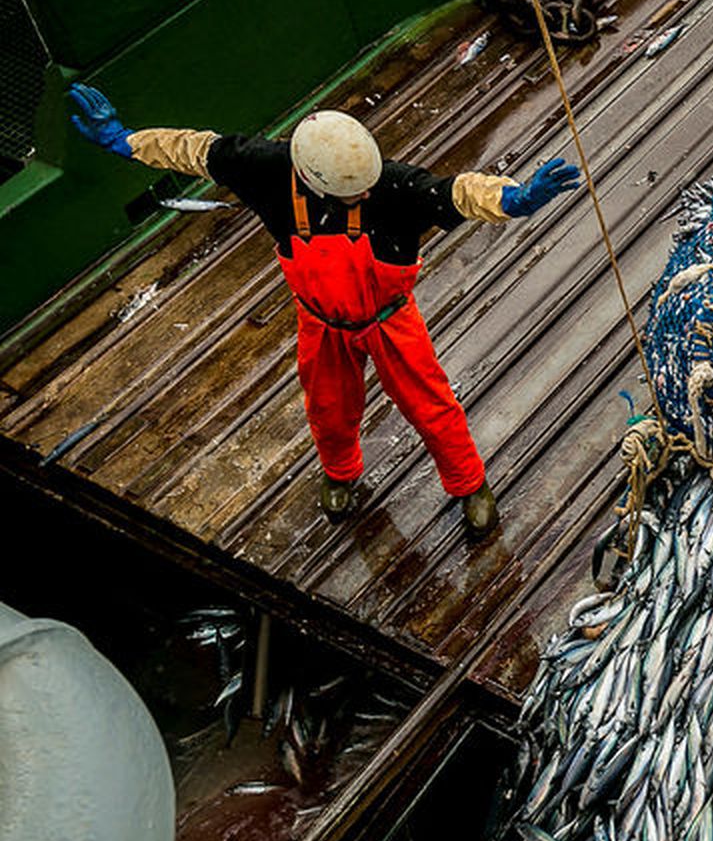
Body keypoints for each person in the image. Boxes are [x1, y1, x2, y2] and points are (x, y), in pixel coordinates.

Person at [67, 83, 581, 537]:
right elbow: (196, 150)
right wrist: (126, 141)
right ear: (309, 176)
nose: (363, 195)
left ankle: (469, 484)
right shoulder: (266, 168)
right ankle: (340, 474)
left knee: (432, 406)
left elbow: (456, 192)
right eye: (350, 191)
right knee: (329, 409)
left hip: (389, 321)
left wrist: (513, 198)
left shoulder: (392, 187)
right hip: (320, 323)